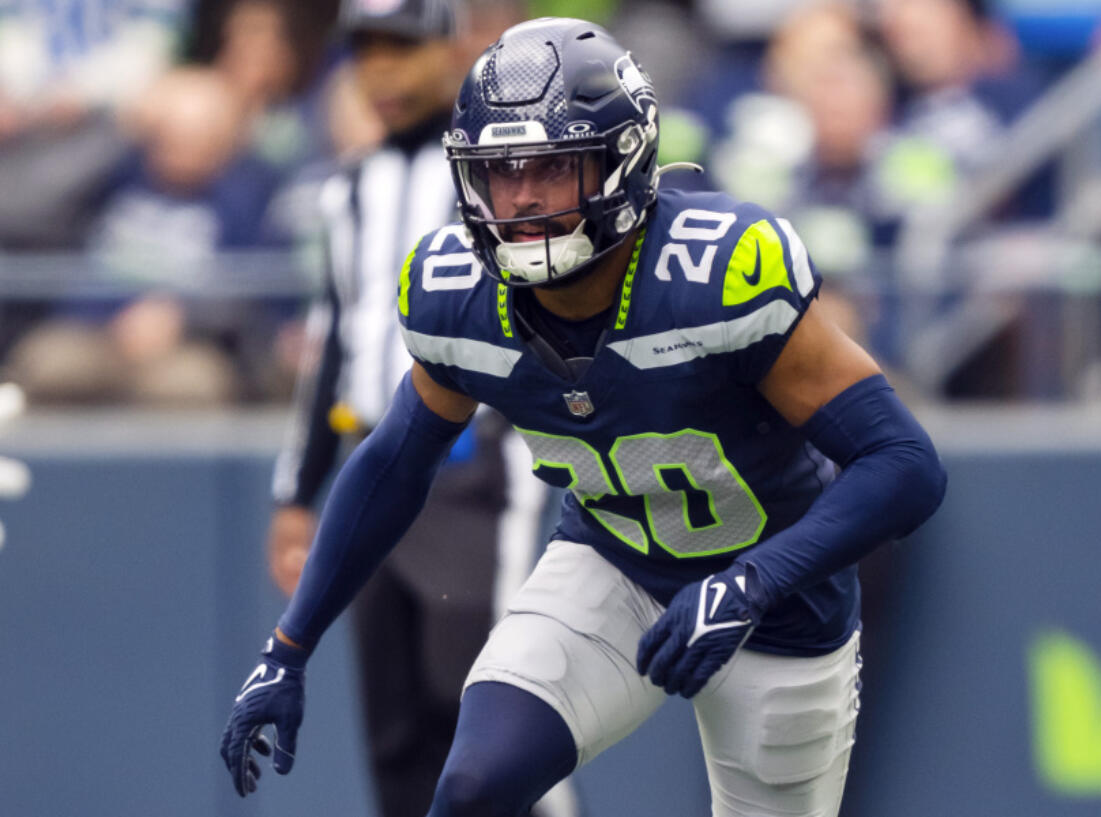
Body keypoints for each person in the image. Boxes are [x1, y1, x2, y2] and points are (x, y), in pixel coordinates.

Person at [221, 17, 947, 817]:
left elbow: (904, 463)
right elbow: (394, 461)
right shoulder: (457, 291)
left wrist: (753, 580)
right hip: (615, 563)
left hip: (781, 597)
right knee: (471, 790)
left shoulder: (716, 270)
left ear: (621, 161)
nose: (523, 197)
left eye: (553, 167)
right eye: (501, 172)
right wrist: (287, 648)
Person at [265, 2, 565, 816]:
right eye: (366, 49)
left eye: (401, 45)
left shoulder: (503, 173)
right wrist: (298, 493)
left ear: (452, 48)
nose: (381, 69)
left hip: (478, 466)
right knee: (395, 726)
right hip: (375, 465)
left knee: (495, 705)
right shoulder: (349, 190)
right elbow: (333, 346)